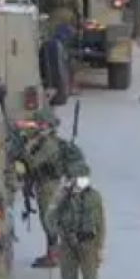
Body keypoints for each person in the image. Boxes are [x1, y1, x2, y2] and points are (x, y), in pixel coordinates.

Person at [25, 107, 86, 268]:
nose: (37, 127)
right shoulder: (47, 141)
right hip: (46, 184)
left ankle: (53, 256)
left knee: (49, 221)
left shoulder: (49, 144)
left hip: (49, 185)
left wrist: (29, 146)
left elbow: (33, 162)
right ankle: (52, 253)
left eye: (40, 124)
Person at [47, 163, 106, 279]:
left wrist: (99, 247)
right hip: (68, 245)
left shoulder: (94, 196)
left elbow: (101, 223)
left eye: (85, 177)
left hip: (89, 245)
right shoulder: (62, 196)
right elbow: (50, 219)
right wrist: (57, 235)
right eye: (79, 177)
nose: (83, 180)